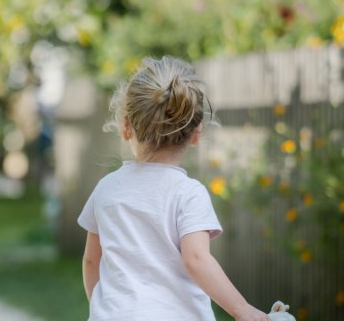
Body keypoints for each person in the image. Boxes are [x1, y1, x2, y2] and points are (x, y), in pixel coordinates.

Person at [78, 56, 269, 321]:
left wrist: (102, 309)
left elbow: (91, 261)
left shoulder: (106, 188)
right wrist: (241, 309)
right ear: (196, 133)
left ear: (125, 128)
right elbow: (196, 259)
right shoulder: (188, 193)